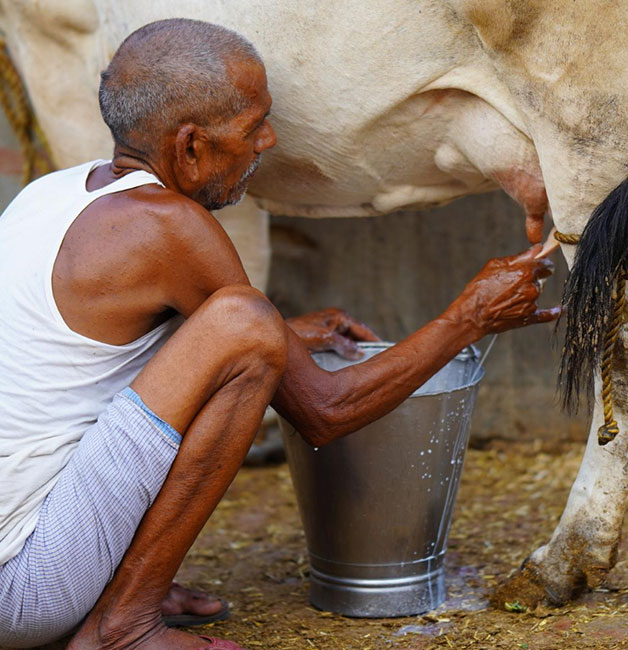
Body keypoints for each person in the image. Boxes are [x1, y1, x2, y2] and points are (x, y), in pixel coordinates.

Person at [0, 18, 559, 650]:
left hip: (22, 563)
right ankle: (122, 624)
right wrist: (469, 318)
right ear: (189, 148)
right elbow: (323, 409)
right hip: (25, 589)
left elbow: (88, 365)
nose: (267, 140)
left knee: (253, 327)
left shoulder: (51, 196)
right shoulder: (168, 227)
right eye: (252, 124)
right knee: (246, 324)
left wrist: (288, 333)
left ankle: (111, 588)